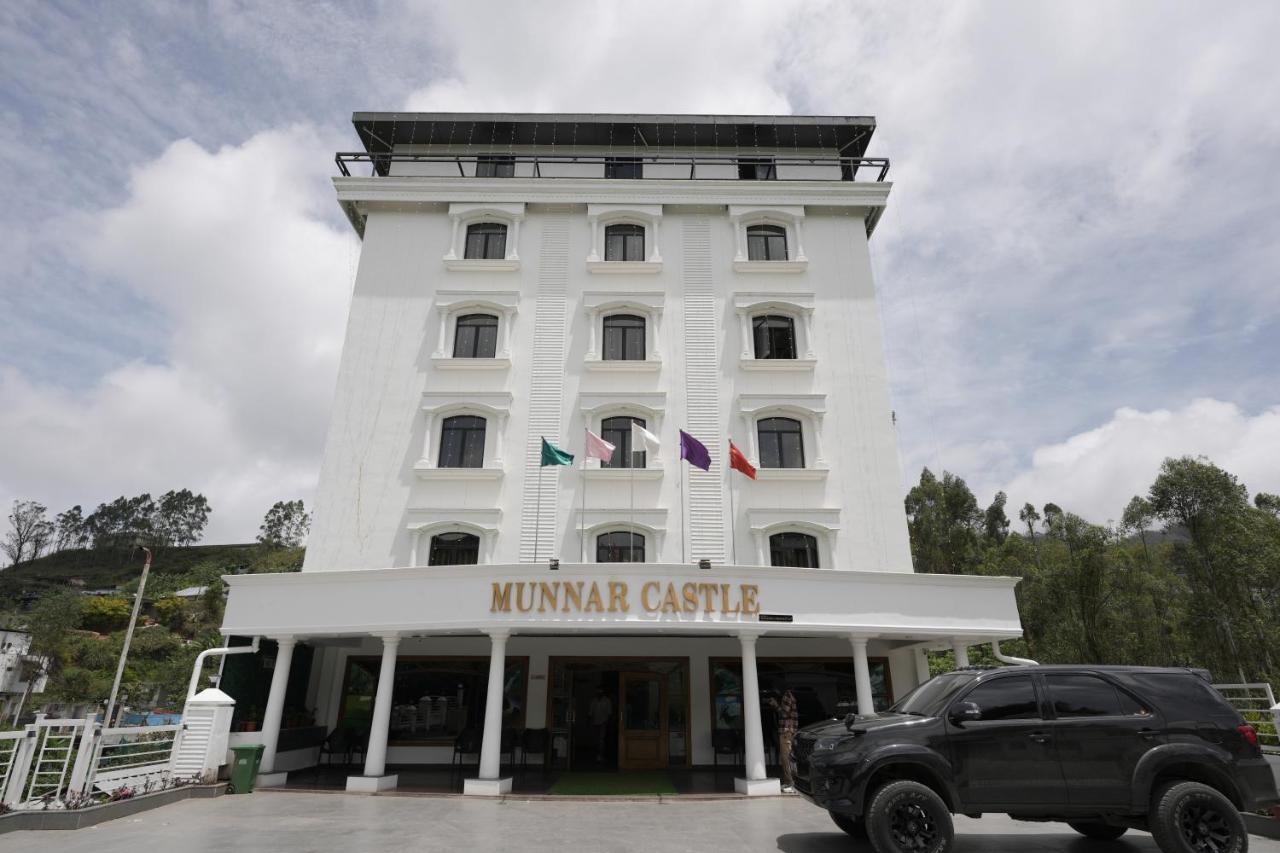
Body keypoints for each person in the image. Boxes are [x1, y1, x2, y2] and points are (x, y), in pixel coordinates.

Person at [765, 686, 798, 792]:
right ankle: (790, 782)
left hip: (786, 731)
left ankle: (790, 783)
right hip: (788, 731)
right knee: (787, 758)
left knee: (786, 758)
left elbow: (784, 713)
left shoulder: (787, 696)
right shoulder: (787, 696)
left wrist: (775, 704)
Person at [588, 687, 613, 764]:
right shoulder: (594, 700)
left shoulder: (607, 700)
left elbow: (609, 713)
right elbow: (590, 713)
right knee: (596, 739)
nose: (599, 693)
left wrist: (608, 723)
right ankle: (597, 755)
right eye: (598, 692)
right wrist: (590, 722)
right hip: (595, 723)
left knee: (601, 740)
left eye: (600, 692)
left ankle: (600, 756)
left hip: (603, 722)